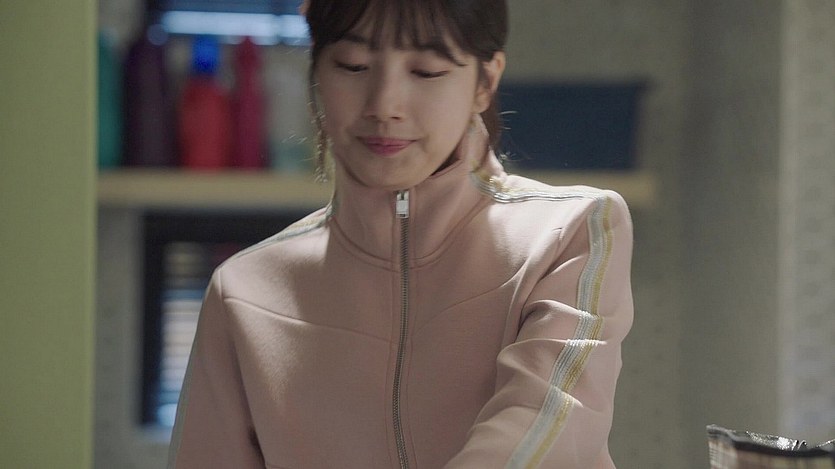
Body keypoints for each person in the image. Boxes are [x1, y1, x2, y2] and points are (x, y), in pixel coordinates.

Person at [168, 0, 634, 467]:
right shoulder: (243, 290)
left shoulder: (570, 233)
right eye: (353, 66)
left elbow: (539, 434)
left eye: (426, 71)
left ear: (485, 82)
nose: (384, 106)